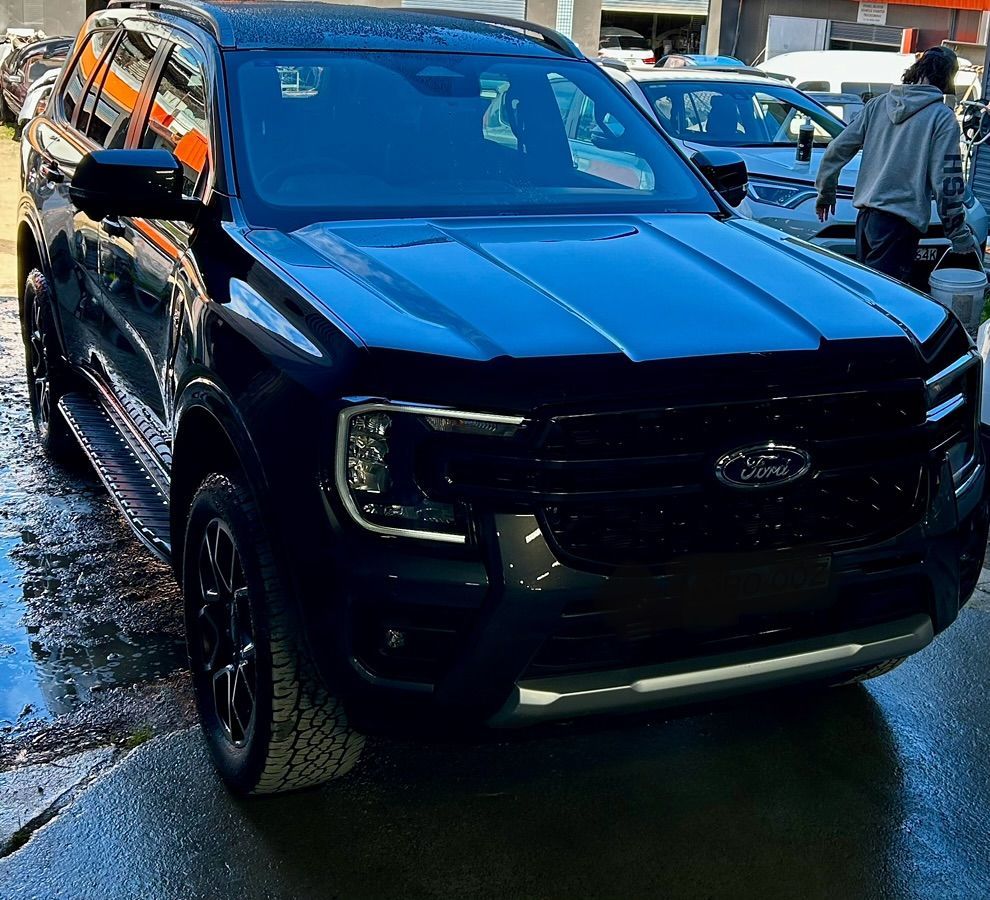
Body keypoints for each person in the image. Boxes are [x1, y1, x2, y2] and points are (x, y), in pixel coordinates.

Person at [815, 46, 978, 286]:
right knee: (885, 298)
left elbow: (836, 149)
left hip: (866, 219)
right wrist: (958, 234)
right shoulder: (941, 117)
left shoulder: (877, 105)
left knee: (866, 292)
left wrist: (825, 193)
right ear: (948, 79)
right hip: (900, 224)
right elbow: (947, 182)